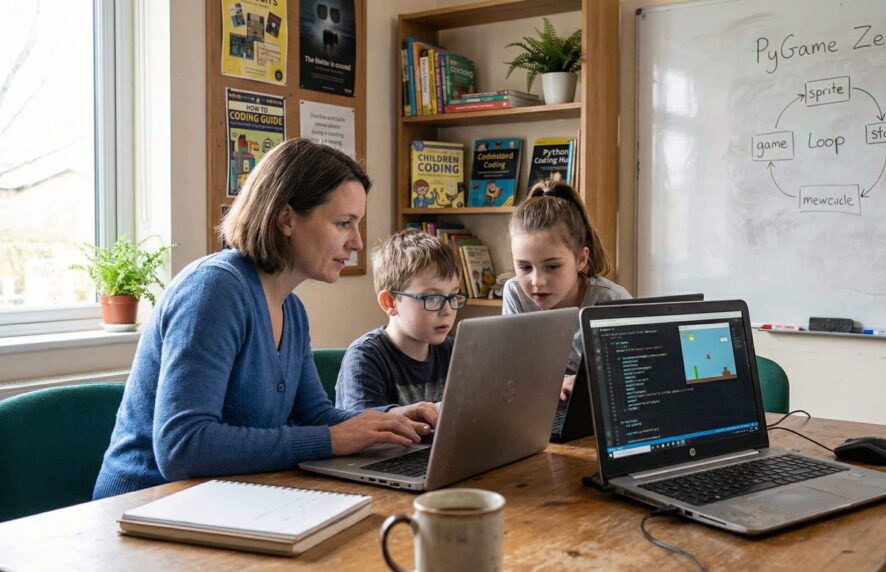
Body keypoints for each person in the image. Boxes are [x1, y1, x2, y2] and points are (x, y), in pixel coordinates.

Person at [93, 139, 434, 500]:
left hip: (224, 501)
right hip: (145, 506)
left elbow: (312, 414)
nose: (357, 243)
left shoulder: (291, 310)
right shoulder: (213, 291)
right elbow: (182, 446)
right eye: (343, 223)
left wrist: (395, 419)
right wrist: (332, 440)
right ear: (286, 218)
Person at [502, 179, 631, 400]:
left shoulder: (611, 300)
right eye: (524, 267)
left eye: (552, 266)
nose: (537, 281)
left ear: (581, 259)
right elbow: (511, 370)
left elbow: (628, 378)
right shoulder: (514, 292)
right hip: (537, 408)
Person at [336, 229, 465, 410]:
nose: (448, 310)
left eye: (453, 295)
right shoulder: (365, 358)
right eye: (432, 298)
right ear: (390, 302)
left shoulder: (452, 351)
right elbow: (367, 429)